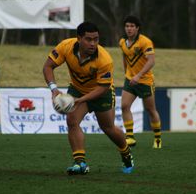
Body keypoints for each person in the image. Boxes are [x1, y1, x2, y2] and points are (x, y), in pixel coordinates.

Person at [43, 22, 134, 174]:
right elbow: (47, 66)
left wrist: (80, 100)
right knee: (71, 121)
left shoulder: (105, 59)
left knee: (108, 127)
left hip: (101, 92)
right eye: (88, 39)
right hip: (77, 89)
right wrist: (54, 89)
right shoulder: (65, 47)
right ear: (78, 38)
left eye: (96, 39)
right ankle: (80, 163)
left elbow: (103, 87)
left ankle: (126, 153)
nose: (93, 43)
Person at [119, 15, 162, 149]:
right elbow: (125, 58)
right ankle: (130, 137)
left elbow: (151, 61)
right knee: (125, 106)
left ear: (137, 28)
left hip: (144, 81)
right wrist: (127, 74)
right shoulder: (122, 42)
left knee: (150, 110)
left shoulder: (145, 42)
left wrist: (138, 75)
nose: (129, 29)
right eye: (127, 26)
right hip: (130, 80)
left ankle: (157, 138)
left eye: (132, 26)